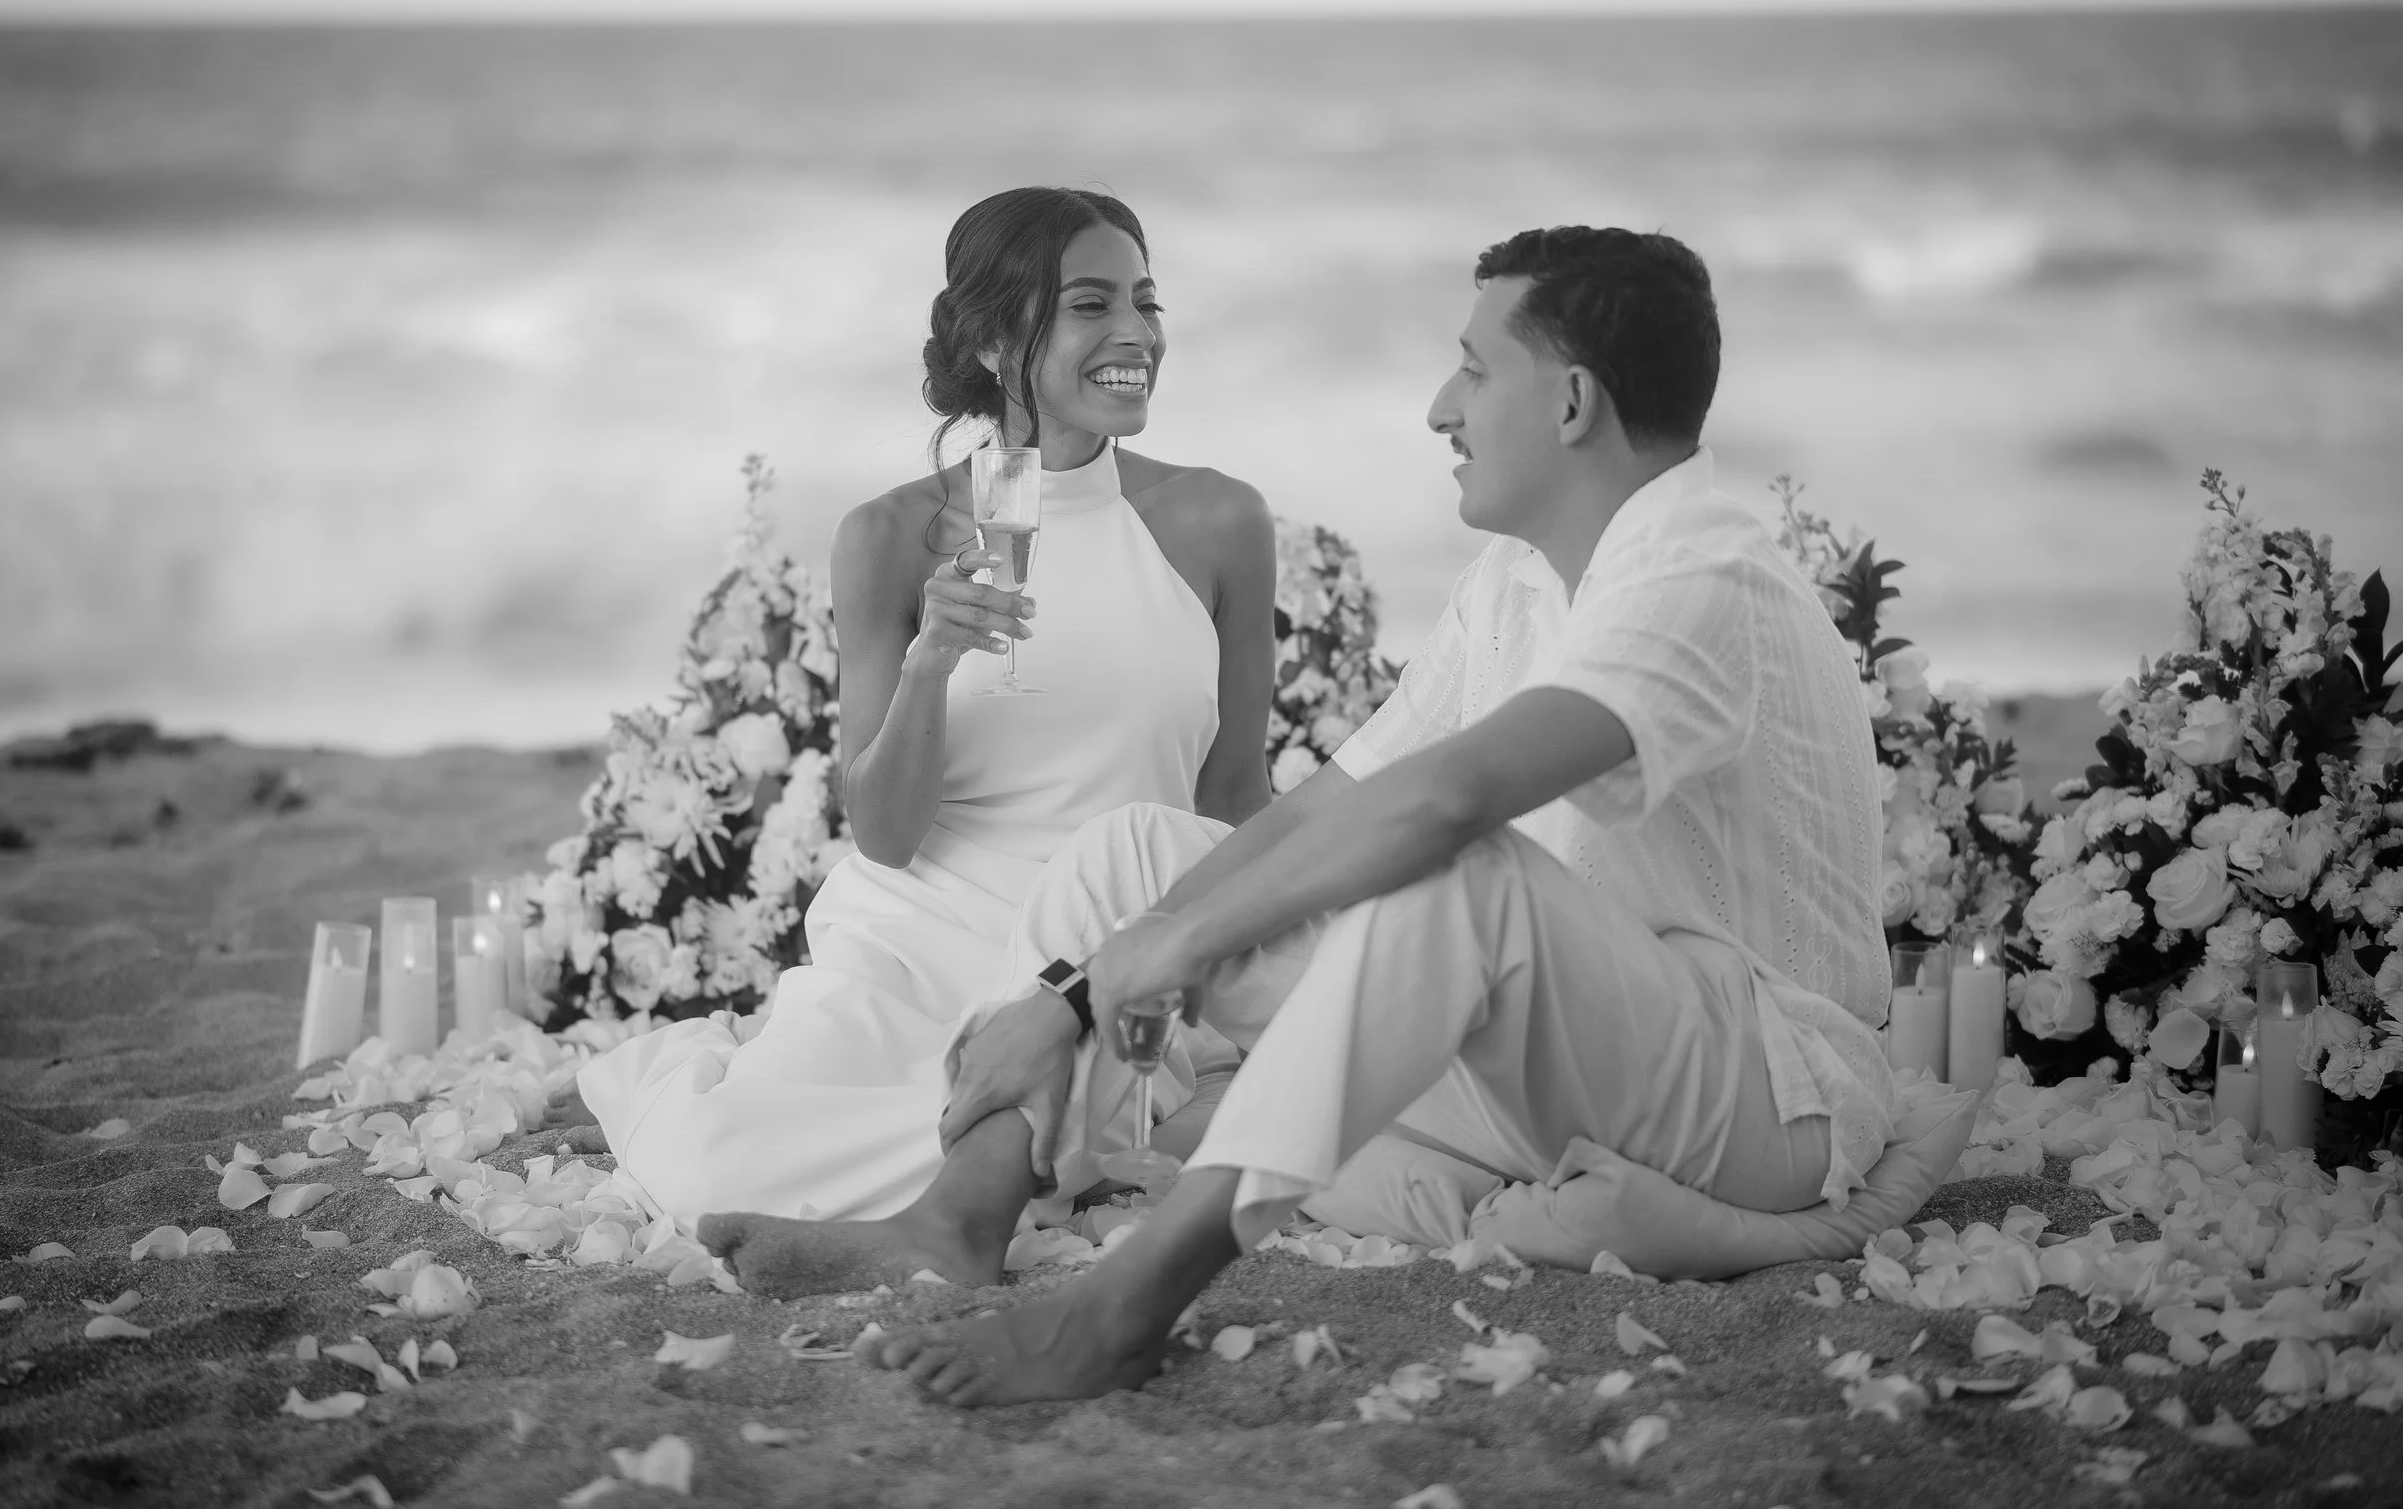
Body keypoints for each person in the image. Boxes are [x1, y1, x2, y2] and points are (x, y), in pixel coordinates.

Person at [707, 224, 1907, 1406]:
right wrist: (1070, 990)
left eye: (1476, 369)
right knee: (1134, 850)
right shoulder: (1519, 582)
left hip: (1762, 1087)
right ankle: (963, 1211)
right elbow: (1330, 800)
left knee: (1456, 877)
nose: (1443, 405)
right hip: (1557, 1049)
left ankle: (1118, 1306)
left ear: (1575, 402)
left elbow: (1447, 802)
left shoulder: (1702, 565)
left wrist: (1161, 954)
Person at [565, 187, 1275, 1256]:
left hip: (1111, 936)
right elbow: (888, 834)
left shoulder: (1217, 520)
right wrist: (930, 661)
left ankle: (998, 1179)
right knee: (724, 1164)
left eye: (1144, 301)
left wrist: (1229, 962)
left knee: (1081, 1113)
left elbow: (1230, 803)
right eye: (1090, 306)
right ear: (994, 342)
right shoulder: (892, 534)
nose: (1134, 334)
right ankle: (1014, 1163)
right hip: (913, 934)